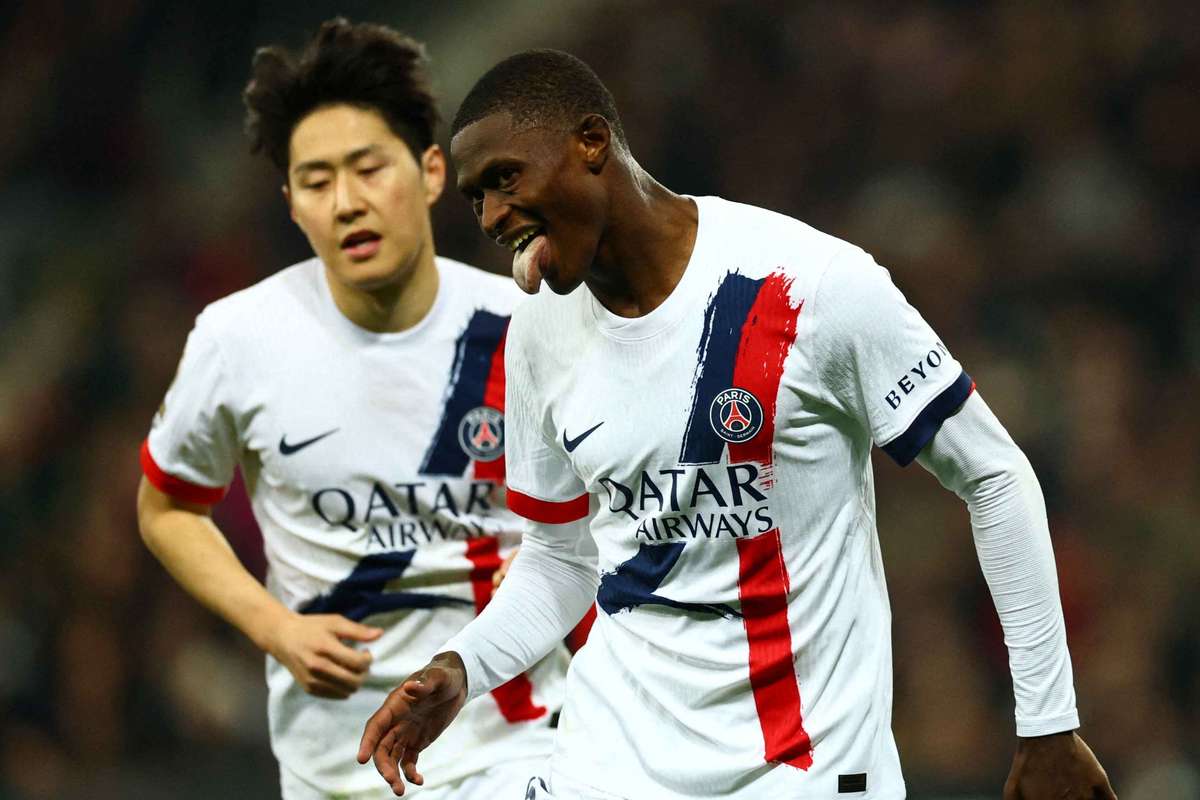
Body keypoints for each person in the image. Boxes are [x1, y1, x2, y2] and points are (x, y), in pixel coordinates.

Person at [357, 49, 1118, 800]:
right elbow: (560, 558)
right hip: (610, 765)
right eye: (475, 199)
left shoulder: (813, 283)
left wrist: (1048, 723)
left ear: (591, 142)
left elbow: (994, 476)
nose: (492, 217)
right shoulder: (538, 332)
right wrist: (463, 667)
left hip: (805, 771)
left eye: (504, 179)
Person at [136, 22, 573, 800]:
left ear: (431, 172)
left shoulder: (526, 327)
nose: (346, 203)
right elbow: (166, 507)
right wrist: (275, 627)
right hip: (330, 766)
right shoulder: (239, 338)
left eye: (369, 169)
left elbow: (616, 505)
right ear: (291, 203)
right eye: (316, 181)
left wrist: (556, 566)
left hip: (513, 748)